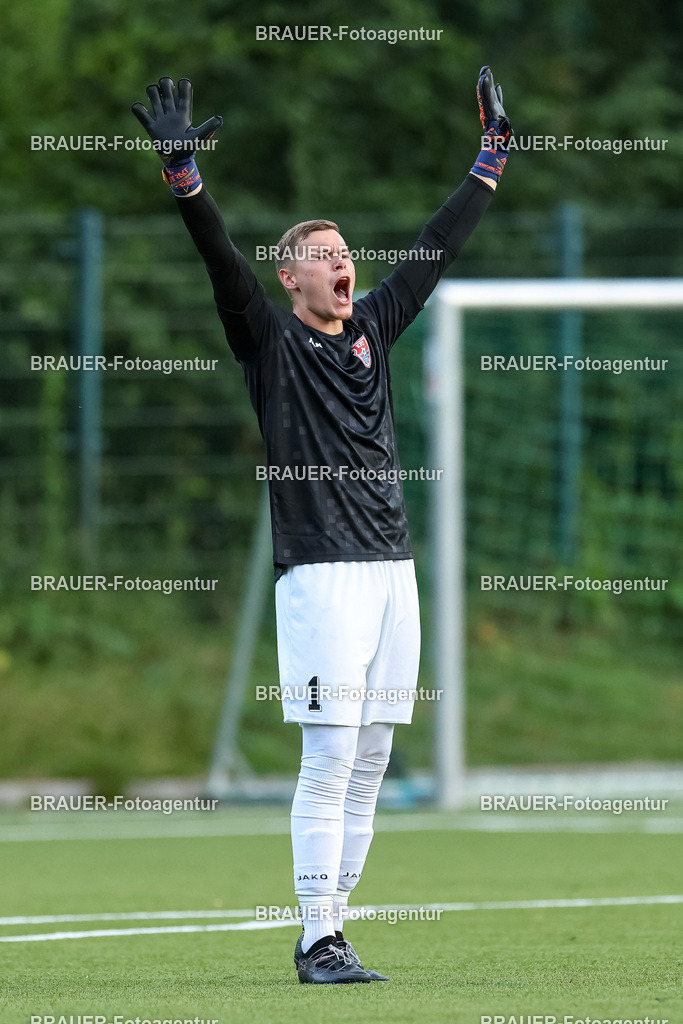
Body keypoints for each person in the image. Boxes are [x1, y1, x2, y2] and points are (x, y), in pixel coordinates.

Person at [132, 68, 511, 984]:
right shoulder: (267, 338)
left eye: (346, 250)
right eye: (322, 251)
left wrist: (491, 158)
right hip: (320, 575)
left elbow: (435, 247)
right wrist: (186, 178)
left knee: (375, 755)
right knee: (331, 752)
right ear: (288, 271)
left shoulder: (373, 327)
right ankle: (316, 936)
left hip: (392, 571)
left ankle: (331, 932)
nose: (343, 260)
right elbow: (220, 261)